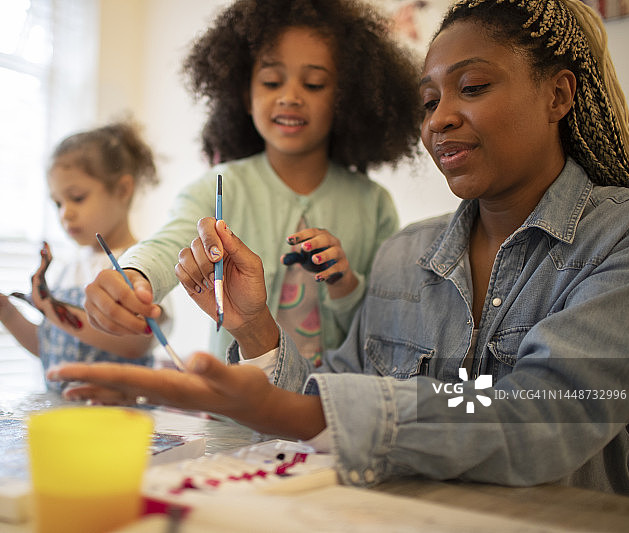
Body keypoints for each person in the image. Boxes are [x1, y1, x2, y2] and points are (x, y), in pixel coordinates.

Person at [49, 0, 629, 497]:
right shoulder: (407, 254)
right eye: (428, 102)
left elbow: (548, 417)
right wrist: (252, 328)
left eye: (474, 87)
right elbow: (336, 379)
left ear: (559, 95)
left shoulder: (623, 239)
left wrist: (284, 410)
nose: (440, 120)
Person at [83, 0, 423, 365]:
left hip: (334, 412)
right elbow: (170, 244)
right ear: (245, 94)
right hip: (238, 410)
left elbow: (387, 328)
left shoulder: (373, 205)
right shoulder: (218, 187)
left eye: (314, 83)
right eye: (272, 81)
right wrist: (134, 275)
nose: (290, 97)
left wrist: (345, 284)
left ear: (343, 99)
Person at [0, 120, 168, 392]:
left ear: (123, 190)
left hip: (119, 421)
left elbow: (135, 343)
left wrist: (52, 308)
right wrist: (7, 314)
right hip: (65, 417)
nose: (65, 213)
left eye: (76, 197)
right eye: (58, 203)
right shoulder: (69, 269)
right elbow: (50, 346)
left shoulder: (143, 264)